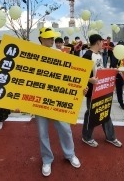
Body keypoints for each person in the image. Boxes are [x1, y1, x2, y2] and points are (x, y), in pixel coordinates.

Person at [36, 27, 81, 177]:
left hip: (57, 99)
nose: (51, 40)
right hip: (39, 99)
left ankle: (70, 154)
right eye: (48, 38)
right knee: (43, 133)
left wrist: (80, 87)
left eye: (52, 38)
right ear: (41, 38)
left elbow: (70, 74)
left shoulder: (60, 54)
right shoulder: (33, 54)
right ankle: (47, 159)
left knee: (65, 129)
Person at [81, 34, 122, 148]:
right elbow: (80, 74)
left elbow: (101, 70)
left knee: (105, 112)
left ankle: (111, 137)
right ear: (98, 42)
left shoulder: (98, 55)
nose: (103, 44)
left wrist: (112, 70)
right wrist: (90, 80)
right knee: (91, 114)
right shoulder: (87, 56)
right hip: (92, 92)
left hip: (101, 89)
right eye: (102, 42)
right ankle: (86, 137)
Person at [109, 40, 124, 111]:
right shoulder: (115, 54)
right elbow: (113, 64)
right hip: (118, 74)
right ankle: (121, 103)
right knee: (119, 89)